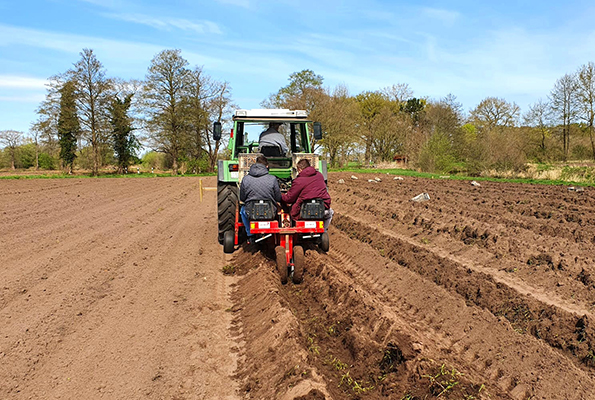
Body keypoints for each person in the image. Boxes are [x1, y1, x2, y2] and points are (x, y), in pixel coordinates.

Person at [281, 158, 334, 231]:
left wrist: (280, 196)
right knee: (330, 212)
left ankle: (296, 231)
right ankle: (323, 231)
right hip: (321, 210)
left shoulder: (299, 181)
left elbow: (289, 199)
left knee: (290, 210)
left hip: (304, 212)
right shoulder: (319, 175)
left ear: (299, 169)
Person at [239, 155, 281, 244]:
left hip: (251, 212)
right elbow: (278, 198)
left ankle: (250, 235)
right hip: (269, 212)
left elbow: (242, 198)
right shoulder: (272, 179)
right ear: (266, 166)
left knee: (242, 211)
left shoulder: (245, 179)